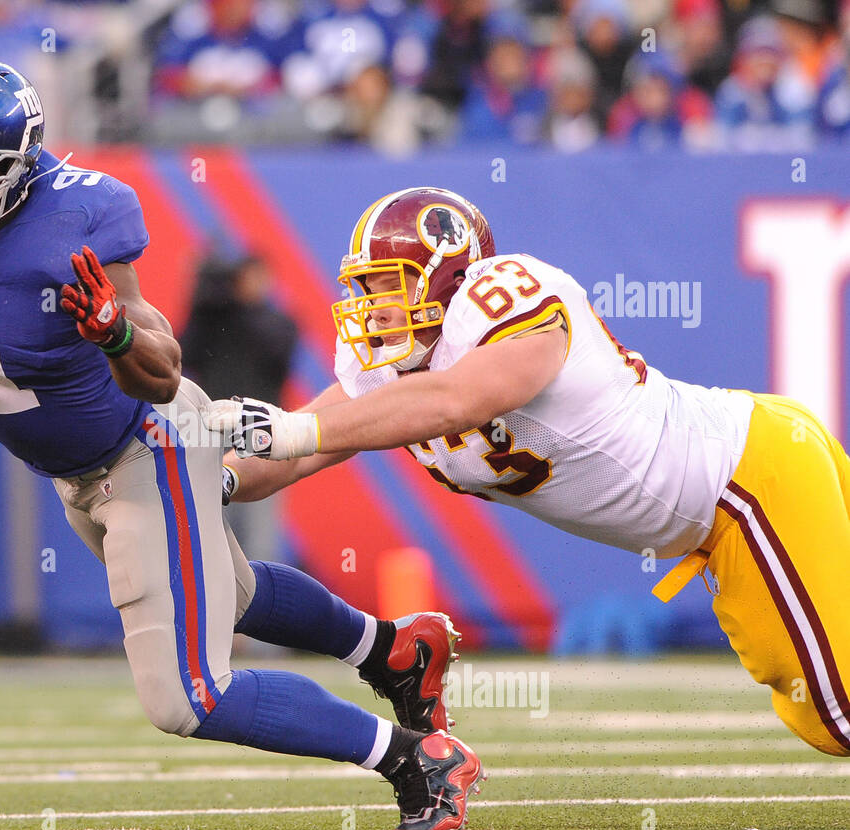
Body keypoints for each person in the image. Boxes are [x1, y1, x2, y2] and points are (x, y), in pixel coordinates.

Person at [0, 59, 483, 830]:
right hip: (73, 472)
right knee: (230, 591)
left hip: (149, 444)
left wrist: (112, 330)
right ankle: (390, 649)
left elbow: (162, 368)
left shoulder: (79, 213)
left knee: (188, 696)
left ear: (22, 165)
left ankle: (415, 758)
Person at [207, 186, 850, 759]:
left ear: (448, 276)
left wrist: (292, 428)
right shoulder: (390, 364)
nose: (370, 306)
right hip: (714, 524)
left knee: (839, 713)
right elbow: (296, 452)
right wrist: (209, 482)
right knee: (818, 713)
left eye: (385, 284)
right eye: (364, 287)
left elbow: (456, 400)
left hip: (750, 477)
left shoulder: (507, 299)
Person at [179, 253, 297, 561]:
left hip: (261, 437)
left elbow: (276, 352)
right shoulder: (212, 320)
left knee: (260, 539)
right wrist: (201, 300)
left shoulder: (279, 322)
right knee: (214, 531)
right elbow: (185, 354)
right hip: (213, 435)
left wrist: (237, 303)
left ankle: (263, 601)